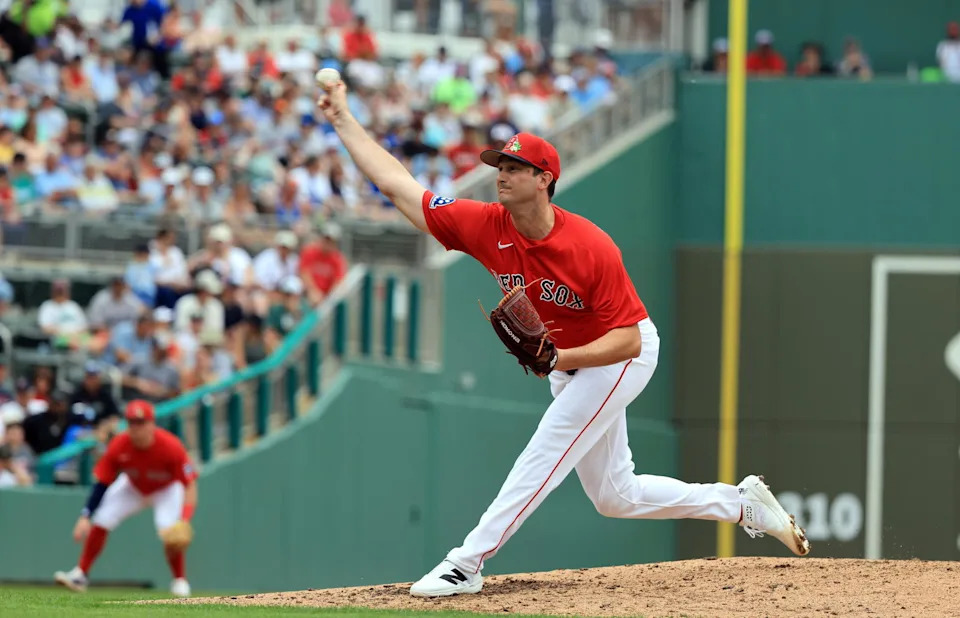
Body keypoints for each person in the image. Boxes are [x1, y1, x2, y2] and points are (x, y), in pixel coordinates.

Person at [315, 77, 812, 598]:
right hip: (574, 362)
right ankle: (740, 504)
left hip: (619, 354)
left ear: (544, 178)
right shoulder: (487, 225)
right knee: (615, 496)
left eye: (513, 168)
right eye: (499, 167)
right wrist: (343, 119)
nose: (500, 175)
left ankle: (466, 563)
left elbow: (629, 342)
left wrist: (559, 358)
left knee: (546, 450)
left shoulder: (590, 246)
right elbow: (400, 189)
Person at [54, 400, 198, 597]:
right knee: (103, 518)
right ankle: (81, 575)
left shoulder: (171, 446)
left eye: (141, 422)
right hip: (133, 486)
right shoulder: (120, 444)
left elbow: (189, 484)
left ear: (152, 423)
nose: (136, 428)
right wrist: (85, 514)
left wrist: (184, 519)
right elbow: (103, 481)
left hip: (166, 489)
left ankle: (180, 581)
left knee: (171, 530)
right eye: (132, 423)